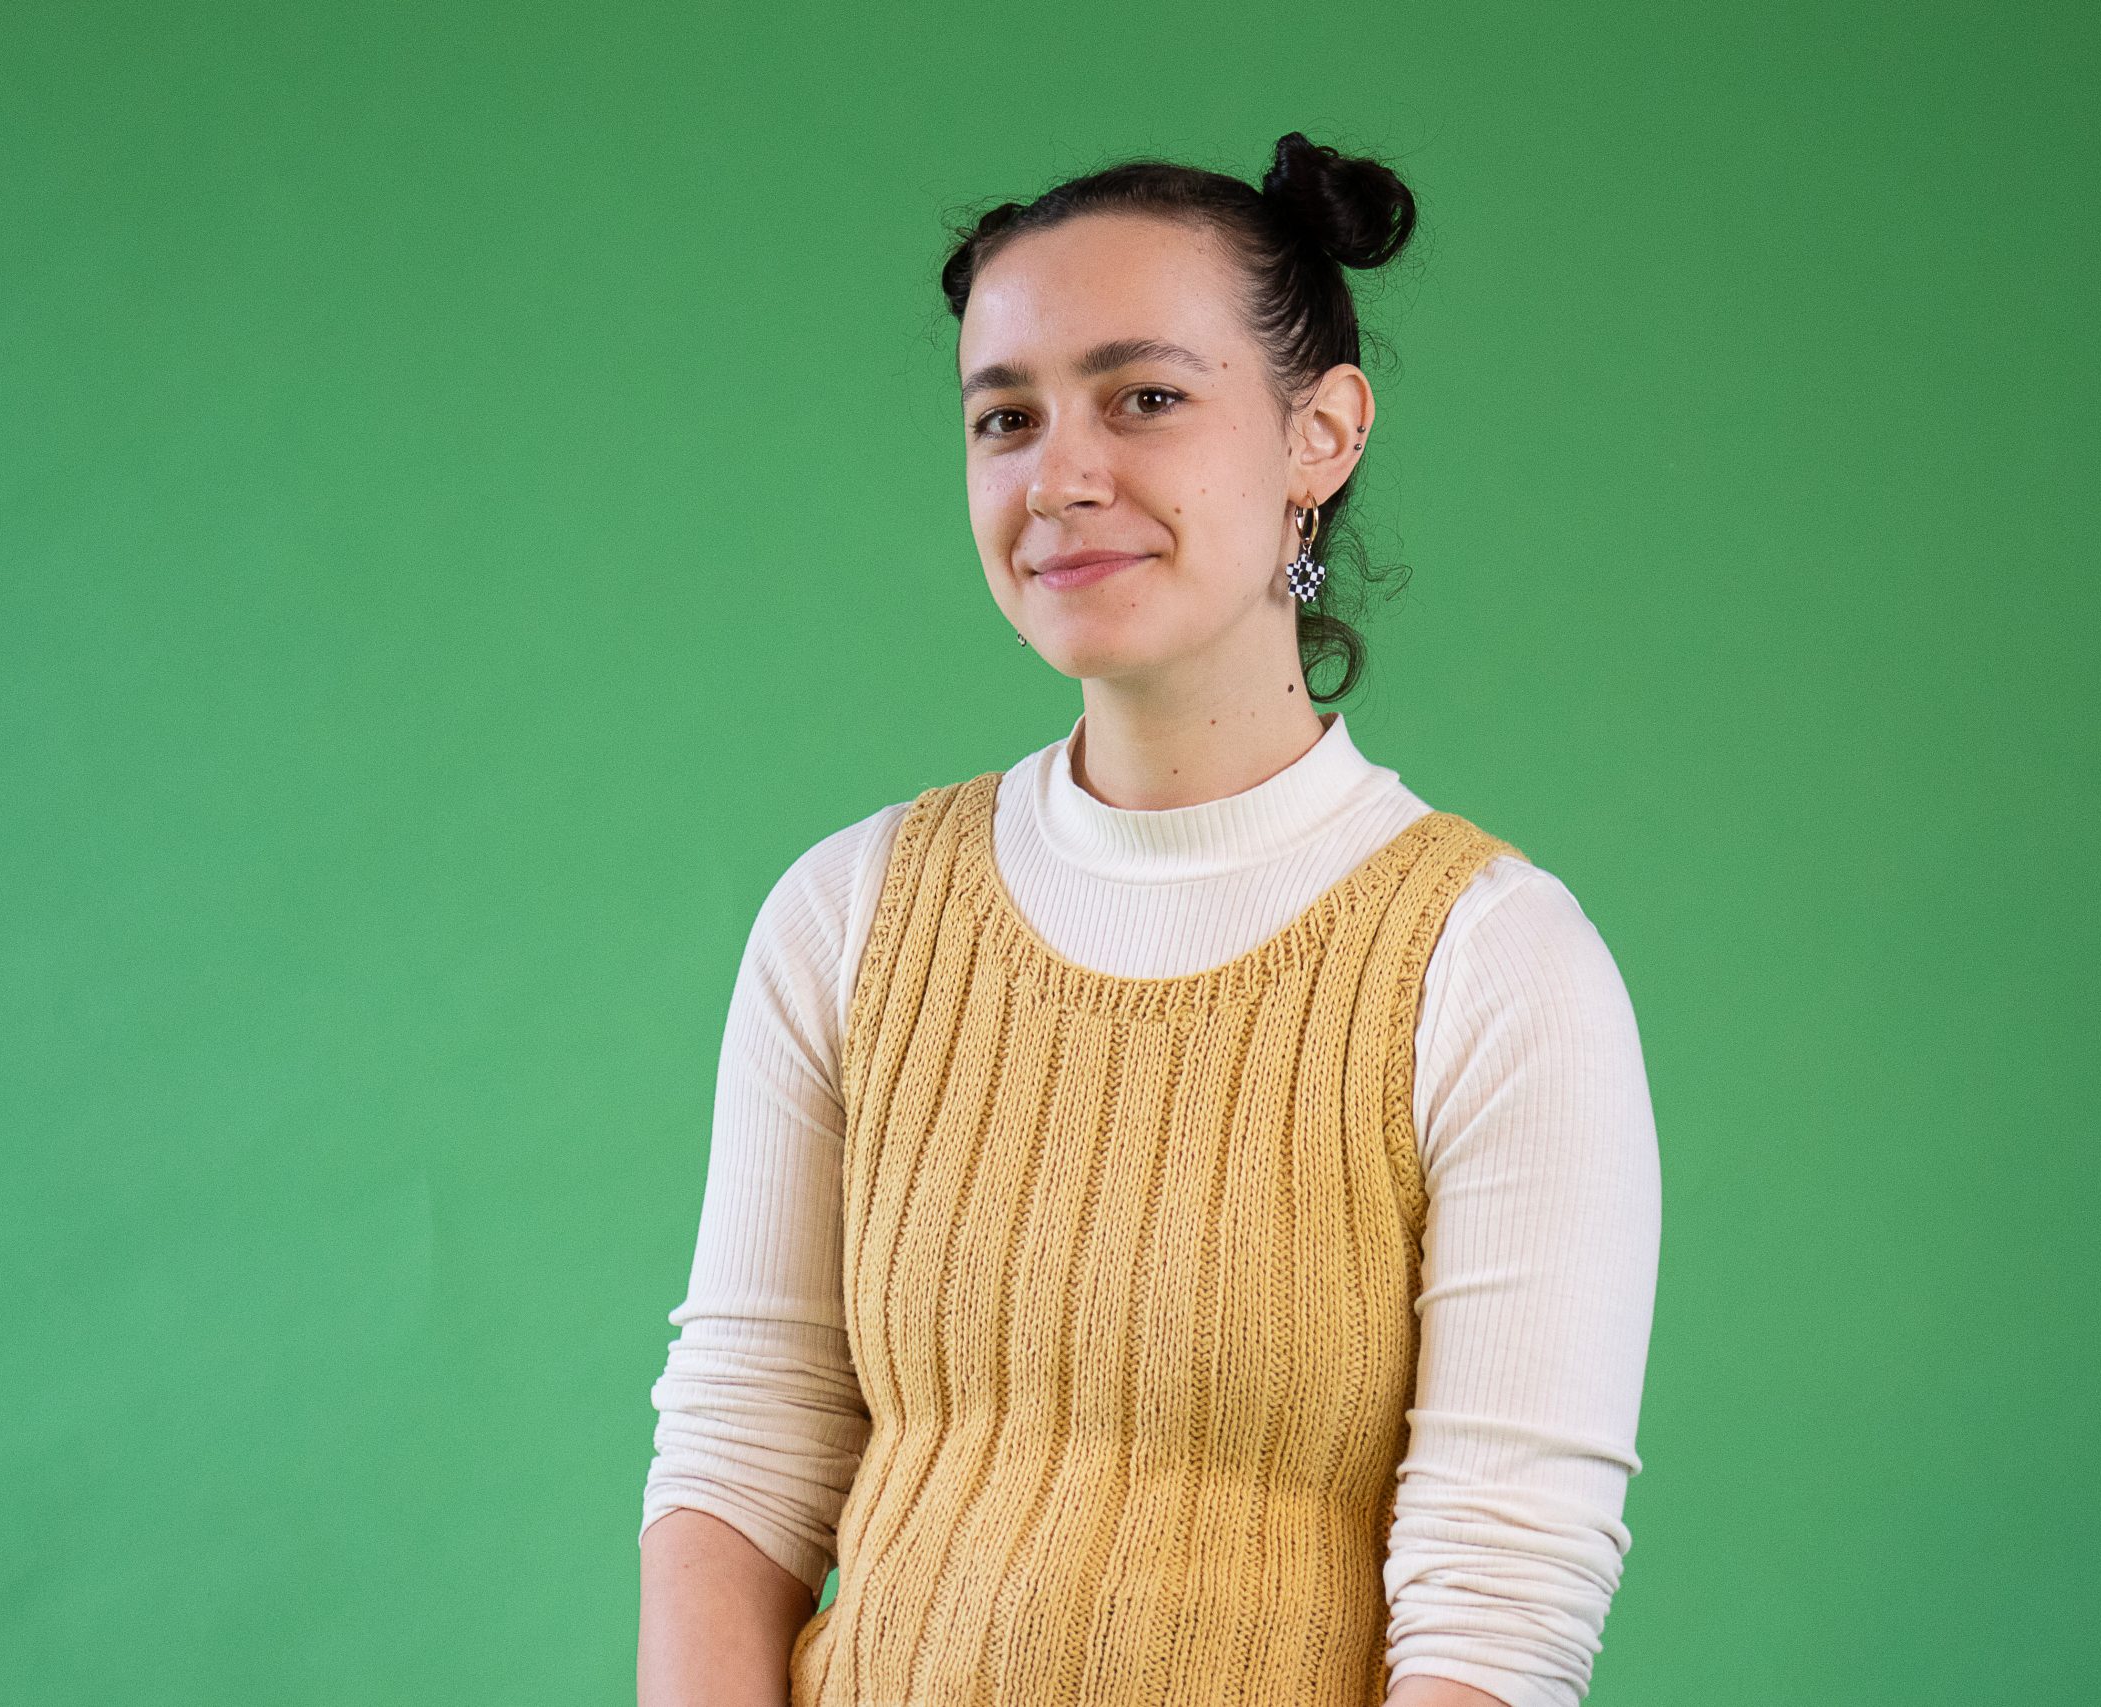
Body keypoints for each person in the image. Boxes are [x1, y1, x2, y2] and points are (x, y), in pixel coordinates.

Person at [635, 132, 1661, 1707]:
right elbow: (741, 1452)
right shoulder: (848, 915)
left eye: (1146, 397)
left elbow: (1498, 1599)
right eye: (1006, 417)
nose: (1063, 475)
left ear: (1320, 433)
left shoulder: (1493, 964)